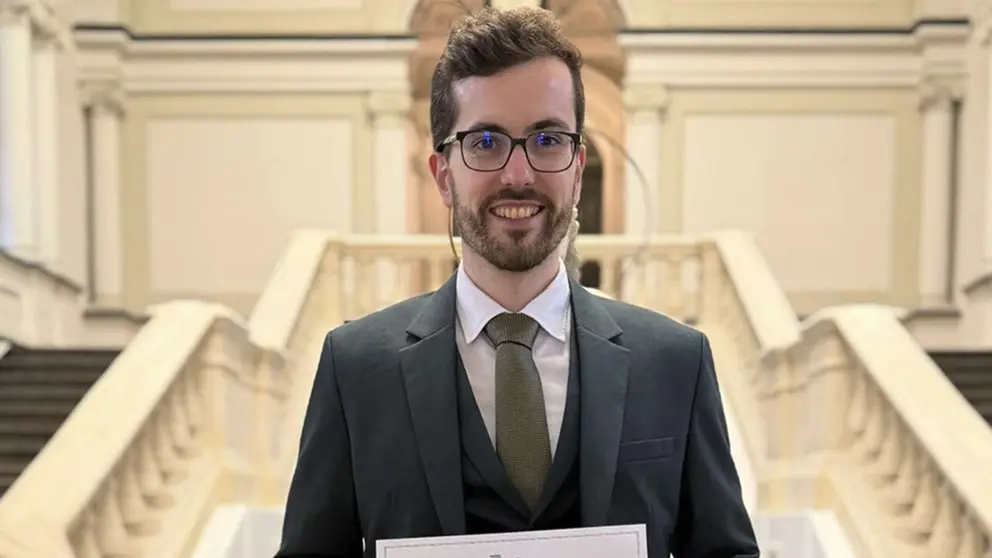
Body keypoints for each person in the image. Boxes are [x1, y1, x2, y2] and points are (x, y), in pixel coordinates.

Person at [275, 6, 759, 558]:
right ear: (443, 177)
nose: (519, 175)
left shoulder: (677, 362)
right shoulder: (354, 369)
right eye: (485, 142)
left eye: (547, 140)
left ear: (578, 168)